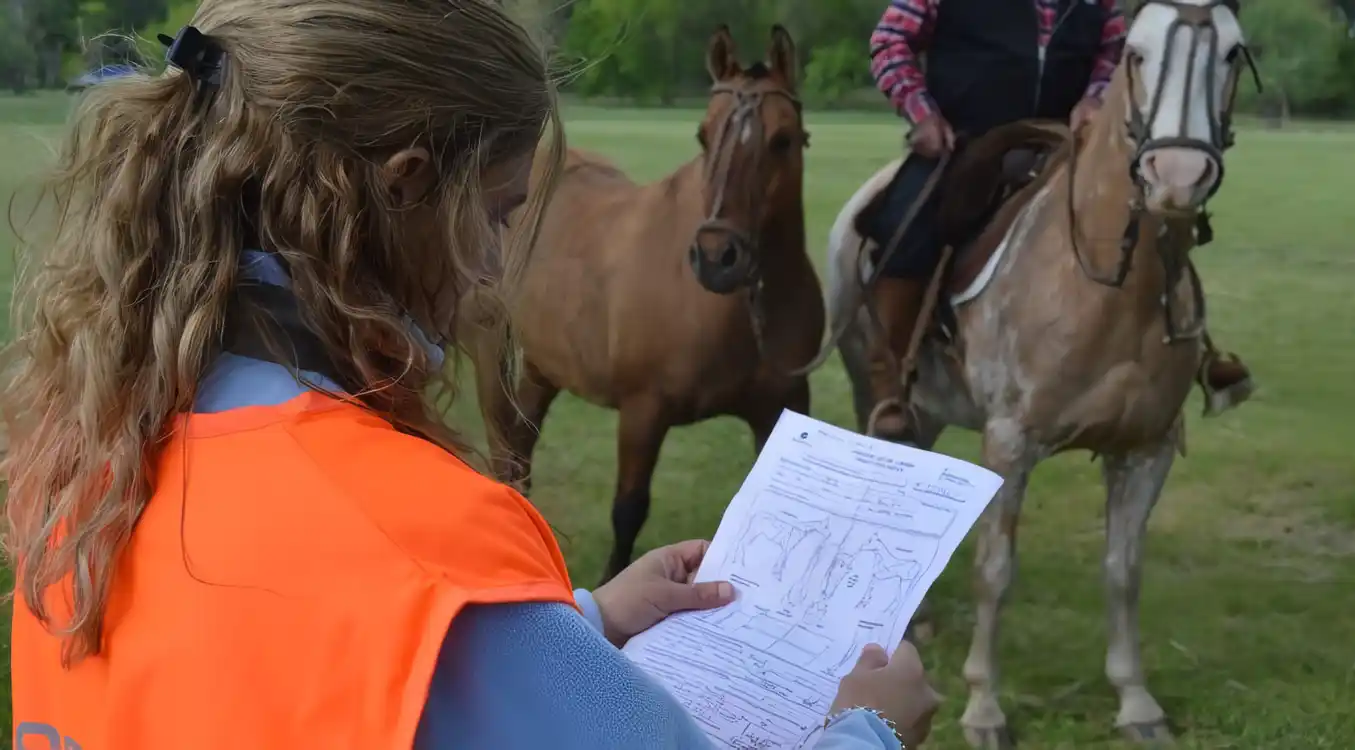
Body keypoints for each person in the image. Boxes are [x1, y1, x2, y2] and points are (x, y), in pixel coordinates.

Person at [2, 2, 940, 749]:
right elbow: (404, 598)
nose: (496, 268)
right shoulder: (436, 549)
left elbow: (275, 667)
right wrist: (872, 726)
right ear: (406, 186)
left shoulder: (86, 455)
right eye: (497, 213)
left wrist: (578, 625)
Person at [862, 0, 1254, 442]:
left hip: (1063, 143)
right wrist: (922, 113)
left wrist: (1094, 97)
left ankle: (1190, 351)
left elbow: (1116, 52)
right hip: (964, 141)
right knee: (905, 227)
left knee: (1148, 218)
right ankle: (890, 380)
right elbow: (890, 42)